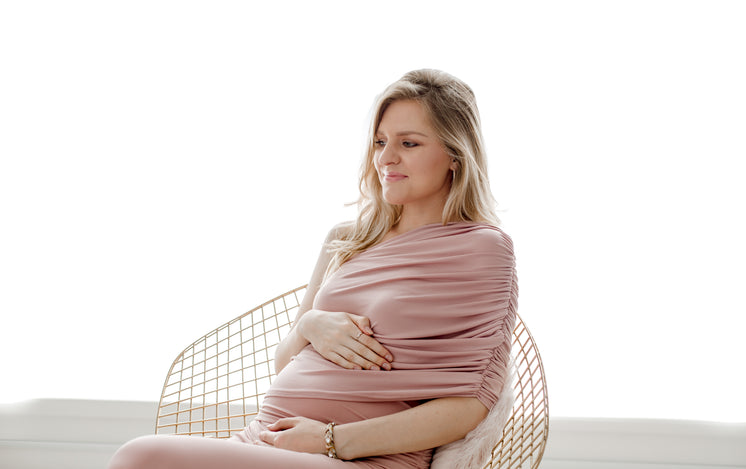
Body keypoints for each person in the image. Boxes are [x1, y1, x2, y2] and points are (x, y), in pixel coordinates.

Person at [108, 69, 517, 469]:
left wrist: (329, 440)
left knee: (139, 458)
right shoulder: (348, 238)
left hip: (359, 458)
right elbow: (286, 363)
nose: (385, 158)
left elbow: (470, 405)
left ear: (455, 154)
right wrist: (309, 326)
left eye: (408, 143)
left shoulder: (482, 249)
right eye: (379, 141)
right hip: (264, 440)